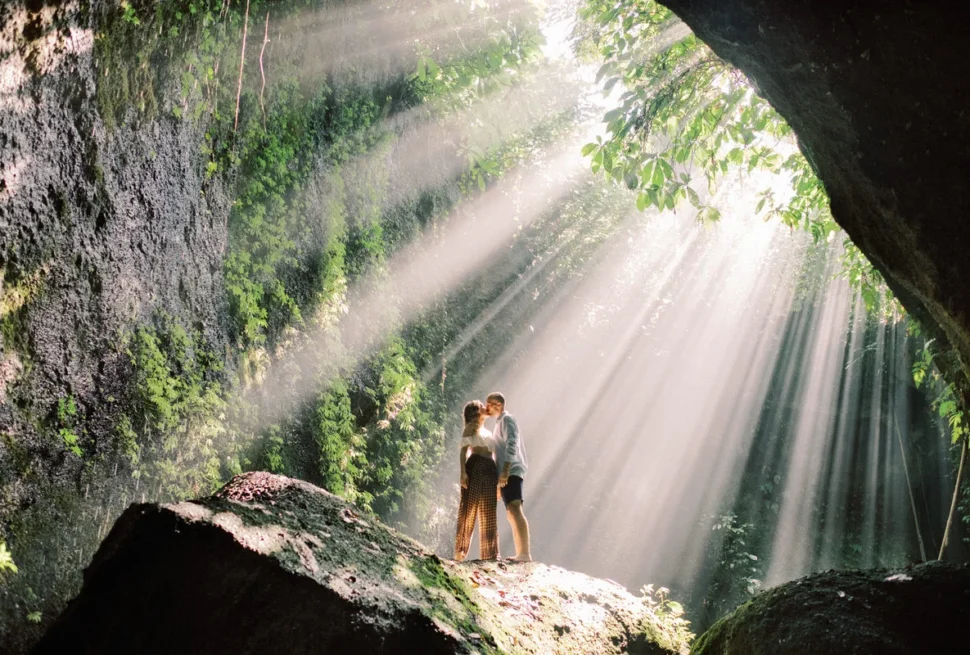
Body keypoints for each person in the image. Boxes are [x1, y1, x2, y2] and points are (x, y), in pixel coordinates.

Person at [486, 392, 532, 562]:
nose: (486, 408)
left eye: (489, 404)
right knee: (511, 512)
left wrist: (505, 471)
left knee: (515, 508)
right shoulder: (499, 423)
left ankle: (525, 554)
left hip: (512, 471)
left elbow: (512, 444)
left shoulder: (507, 419)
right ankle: (521, 553)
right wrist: (499, 482)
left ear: (498, 404)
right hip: (506, 473)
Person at [454, 399, 499, 561]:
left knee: (489, 510)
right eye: (481, 406)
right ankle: (460, 551)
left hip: (490, 467)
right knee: (469, 507)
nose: (485, 408)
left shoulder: (487, 431)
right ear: (475, 412)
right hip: (475, 465)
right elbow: (463, 451)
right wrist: (463, 473)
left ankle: (490, 554)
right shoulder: (470, 428)